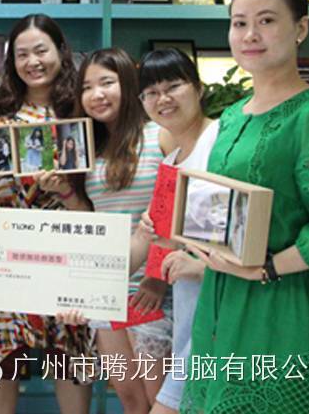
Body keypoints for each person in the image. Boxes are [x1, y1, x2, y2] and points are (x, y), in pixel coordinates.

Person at [180, 0, 309, 413]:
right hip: (220, 303)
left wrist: (266, 268)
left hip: (282, 309)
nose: (250, 35)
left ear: (301, 28)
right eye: (239, 23)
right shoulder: (230, 118)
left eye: (266, 21)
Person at [0, 14, 95, 414]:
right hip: (3, 248)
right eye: (22, 54)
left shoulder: (81, 110)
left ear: (61, 51)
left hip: (65, 247)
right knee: (1, 353)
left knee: (69, 350)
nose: (32, 62)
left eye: (41, 50)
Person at [78, 47, 171, 412]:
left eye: (106, 83)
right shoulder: (89, 148)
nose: (96, 94)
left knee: (161, 400)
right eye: (87, 87)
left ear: (129, 84)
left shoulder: (160, 135)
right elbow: (90, 220)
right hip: (108, 288)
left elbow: (178, 209)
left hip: (154, 288)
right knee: (131, 400)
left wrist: (157, 276)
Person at [136, 49, 217, 414]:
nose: (163, 99)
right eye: (151, 92)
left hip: (220, 318)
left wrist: (202, 266)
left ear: (198, 88)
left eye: (173, 86)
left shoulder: (221, 143)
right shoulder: (171, 162)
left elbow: (251, 231)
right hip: (190, 317)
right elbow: (168, 240)